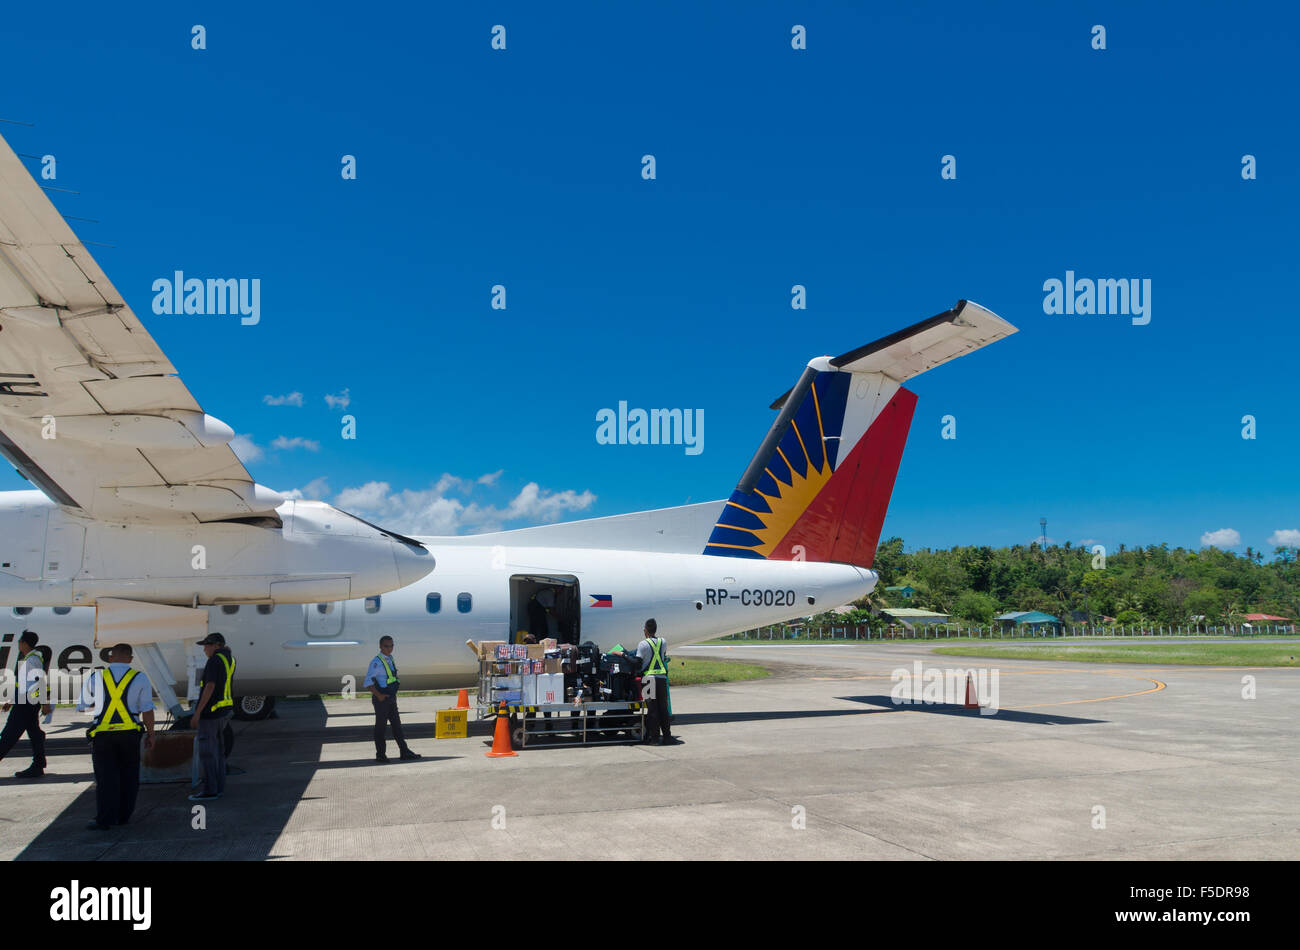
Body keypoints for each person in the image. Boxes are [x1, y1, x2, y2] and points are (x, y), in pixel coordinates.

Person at [79, 643, 156, 830]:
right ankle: (123, 816)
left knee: (106, 778)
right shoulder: (140, 678)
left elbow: (83, 706)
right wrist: (151, 735)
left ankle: (105, 819)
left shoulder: (95, 677)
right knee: (129, 776)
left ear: (110, 658)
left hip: (103, 736)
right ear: (130, 659)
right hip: (130, 735)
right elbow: (147, 710)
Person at [189, 633, 235, 802]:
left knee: (207, 753)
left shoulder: (214, 660)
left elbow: (210, 686)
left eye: (207, 645)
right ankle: (219, 788)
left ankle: (210, 790)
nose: (204, 649)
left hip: (210, 714)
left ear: (216, 645)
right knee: (219, 753)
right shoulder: (229, 658)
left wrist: (197, 712)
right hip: (223, 712)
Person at [0, 631, 51, 777]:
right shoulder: (29, 659)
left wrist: (44, 703)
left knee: (8, 736)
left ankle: (38, 764)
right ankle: (38, 765)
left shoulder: (32, 660)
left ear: (24, 643)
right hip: (25, 703)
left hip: (26, 705)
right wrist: (13, 701)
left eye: (20, 642)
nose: (18, 644)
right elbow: (25, 685)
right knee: (35, 734)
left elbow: (40, 682)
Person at [365, 636, 420, 762]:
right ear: (380, 646)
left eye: (391, 646)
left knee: (397, 726)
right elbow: (368, 682)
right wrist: (379, 696)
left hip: (390, 698)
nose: (389, 649)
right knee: (381, 727)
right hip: (382, 699)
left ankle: (404, 752)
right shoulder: (376, 662)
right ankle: (380, 755)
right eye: (386, 646)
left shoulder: (390, 659)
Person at [629, 619, 675, 745]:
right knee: (663, 709)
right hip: (661, 679)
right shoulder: (663, 641)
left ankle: (654, 738)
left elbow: (637, 663)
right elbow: (662, 656)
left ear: (646, 630)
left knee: (652, 710)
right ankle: (667, 737)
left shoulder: (642, 644)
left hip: (648, 679)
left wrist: (623, 655)